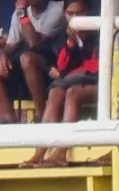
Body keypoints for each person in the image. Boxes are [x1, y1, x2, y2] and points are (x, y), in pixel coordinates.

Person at [22, 0, 95, 166]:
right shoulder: (65, 36)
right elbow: (62, 66)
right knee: (55, 92)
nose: (74, 18)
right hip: (74, 82)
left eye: (79, 13)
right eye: (70, 14)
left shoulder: (99, 32)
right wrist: (70, 43)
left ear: (88, 13)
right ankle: (40, 152)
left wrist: (68, 75)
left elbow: (95, 68)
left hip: (99, 84)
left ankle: (61, 152)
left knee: (72, 92)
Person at [0, 0, 66, 125]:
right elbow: (11, 44)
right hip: (26, 58)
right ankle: (9, 116)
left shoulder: (57, 9)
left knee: (27, 59)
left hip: (52, 61)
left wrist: (22, 13)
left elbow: (34, 43)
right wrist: (2, 55)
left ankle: (40, 115)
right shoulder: (20, 11)